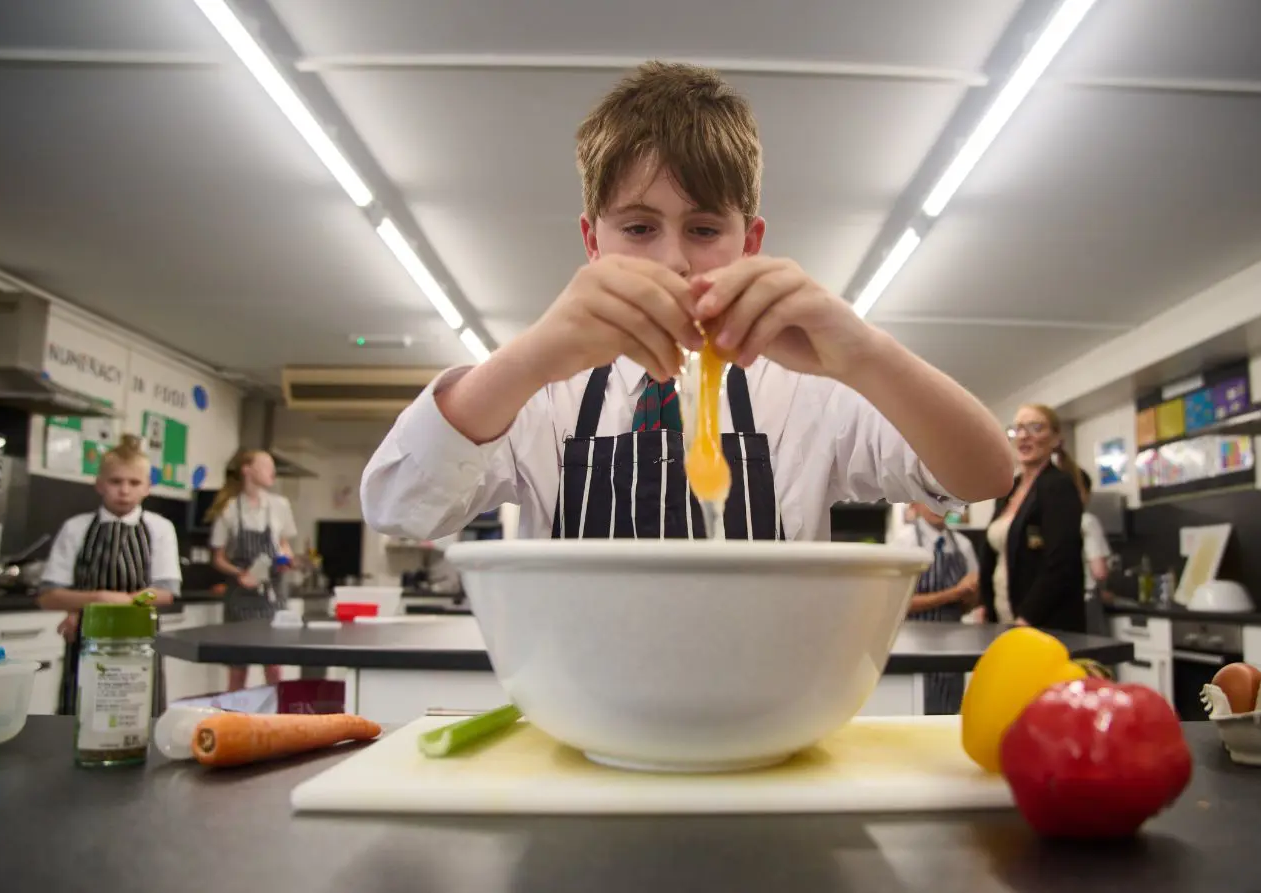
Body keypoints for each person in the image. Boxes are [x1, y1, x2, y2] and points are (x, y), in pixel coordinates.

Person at [361, 62, 1014, 543]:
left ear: (749, 243)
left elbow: (983, 476)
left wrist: (865, 354)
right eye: (639, 228)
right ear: (593, 240)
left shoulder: (809, 388)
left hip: (764, 721)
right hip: (583, 719)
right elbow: (398, 509)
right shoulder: (542, 398)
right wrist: (529, 359)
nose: (673, 260)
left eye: (704, 230)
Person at [38, 434, 180, 714]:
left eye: (134, 483)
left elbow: (164, 592)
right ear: (100, 484)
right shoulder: (76, 528)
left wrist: (124, 603)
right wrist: (99, 598)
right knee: (80, 713)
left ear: (148, 488)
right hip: (85, 640)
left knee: (138, 713)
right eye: (116, 482)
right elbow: (48, 596)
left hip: (139, 639)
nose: (124, 490)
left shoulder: (160, 529)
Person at [975, 404, 1087, 632]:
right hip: (1003, 617)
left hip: (1041, 624)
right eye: (1017, 429)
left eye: (1036, 428)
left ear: (1056, 439)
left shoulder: (1058, 486)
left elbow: (1061, 561)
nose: (1024, 436)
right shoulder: (1009, 489)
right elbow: (994, 556)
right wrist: (984, 604)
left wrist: (1027, 617)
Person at [206, 449, 298, 691]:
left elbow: (285, 544)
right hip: (241, 595)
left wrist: (286, 558)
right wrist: (239, 574)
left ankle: (277, 718)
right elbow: (218, 558)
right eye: (266, 465)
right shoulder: (229, 508)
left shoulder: (280, 505)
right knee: (238, 666)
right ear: (247, 470)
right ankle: (233, 717)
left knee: (275, 664)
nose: (273, 472)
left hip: (272, 594)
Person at [895, 502, 978, 714]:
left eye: (944, 500)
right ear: (916, 503)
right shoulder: (904, 544)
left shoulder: (963, 545)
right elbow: (899, 605)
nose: (938, 507)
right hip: (913, 646)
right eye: (930, 499)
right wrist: (954, 593)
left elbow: (970, 605)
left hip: (952, 650)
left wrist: (971, 595)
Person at [1078, 472, 1113, 635]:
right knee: (1091, 657)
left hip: (1056, 604)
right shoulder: (1087, 521)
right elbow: (1099, 571)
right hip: (1085, 602)